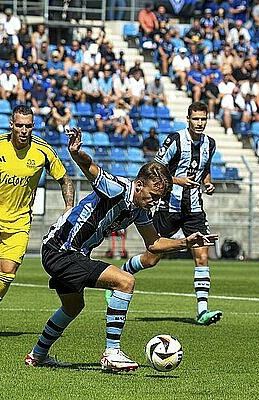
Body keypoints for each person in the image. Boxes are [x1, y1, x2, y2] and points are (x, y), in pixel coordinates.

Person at [25, 127, 216, 370]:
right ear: (139, 185)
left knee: (73, 306)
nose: (155, 201)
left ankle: (37, 355)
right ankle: (111, 352)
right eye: (153, 195)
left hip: (69, 253)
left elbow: (154, 244)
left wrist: (186, 242)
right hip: (62, 250)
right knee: (125, 281)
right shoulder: (118, 189)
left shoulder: (140, 208)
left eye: (159, 198)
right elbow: (91, 169)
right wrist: (76, 153)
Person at [0, 105, 75, 339]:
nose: (24, 130)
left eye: (28, 126)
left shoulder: (43, 152)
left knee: (7, 276)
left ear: (33, 127)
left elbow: (65, 179)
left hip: (19, 222)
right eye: (19, 125)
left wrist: (68, 209)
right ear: (11, 124)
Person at [146, 101, 222, 325]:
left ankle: (202, 311)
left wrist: (208, 183)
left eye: (203, 119)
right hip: (169, 206)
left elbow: (205, 168)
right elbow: (155, 169)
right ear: (188, 119)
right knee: (152, 258)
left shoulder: (211, 144)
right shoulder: (175, 140)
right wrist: (178, 180)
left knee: (202, 255)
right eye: (196, 119)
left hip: (194, 209)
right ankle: (120, 274)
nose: (199, 123)